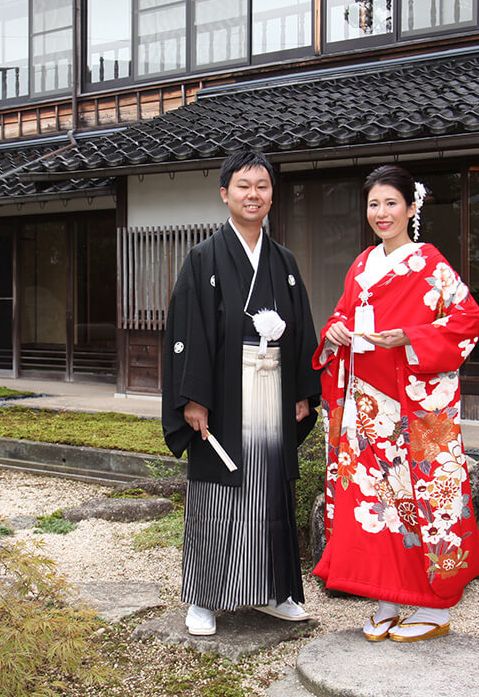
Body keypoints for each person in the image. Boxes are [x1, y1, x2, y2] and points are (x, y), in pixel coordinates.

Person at [311, 164, 479, 642]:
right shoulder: (362, 264)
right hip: (364, 405)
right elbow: (342, 314)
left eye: (391, 203)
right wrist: (335, 331)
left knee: (419, 502)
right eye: (374, 204)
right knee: (375, 508)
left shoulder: (429, 263)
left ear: (412, 207)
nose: (382, 212)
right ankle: (387, 600)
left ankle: (433, 608)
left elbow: (467, 319)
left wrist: (409, 336)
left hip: (410, 405)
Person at [162, 150, 321, 637]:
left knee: (269, 486)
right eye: (244, 186)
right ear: (225, 193)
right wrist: (193, 398)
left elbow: (300, 330)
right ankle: (204, 598)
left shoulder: (283, 261)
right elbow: (188, 330)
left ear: (272, 195)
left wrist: (301, 391)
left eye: (262, 186)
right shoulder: (203, 257)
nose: (254, 195)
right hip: (224, 394)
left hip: (272, 390)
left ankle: (273, 591)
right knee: (219, 489)